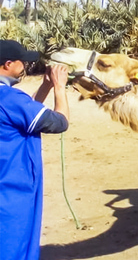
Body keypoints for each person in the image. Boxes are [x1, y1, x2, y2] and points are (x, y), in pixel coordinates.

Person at [0, 40, 70, 260]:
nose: (25, 67)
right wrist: (59, 87)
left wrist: (45, 87)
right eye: (23, 62)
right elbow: (60, 122)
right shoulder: (11, 99)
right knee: (13, 243)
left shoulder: (11, 100)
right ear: (8, 64)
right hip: (12, 188)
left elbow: (23, 116)